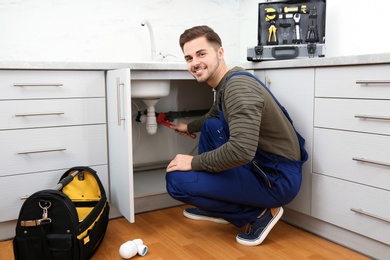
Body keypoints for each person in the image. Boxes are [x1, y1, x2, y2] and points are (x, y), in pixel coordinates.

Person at [165, 25, 308, 246]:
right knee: (213, 126)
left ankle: (259, 215)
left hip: (275, 179)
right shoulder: (226, 84)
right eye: (189, 58)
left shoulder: (238, 88)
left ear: (219, 53)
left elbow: (241, 150)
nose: (194, 63)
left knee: (176, 181)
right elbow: (213, 116)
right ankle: (217, 205)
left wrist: (194, 162)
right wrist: (188, 127)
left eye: (201, 54)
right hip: (265, 165)